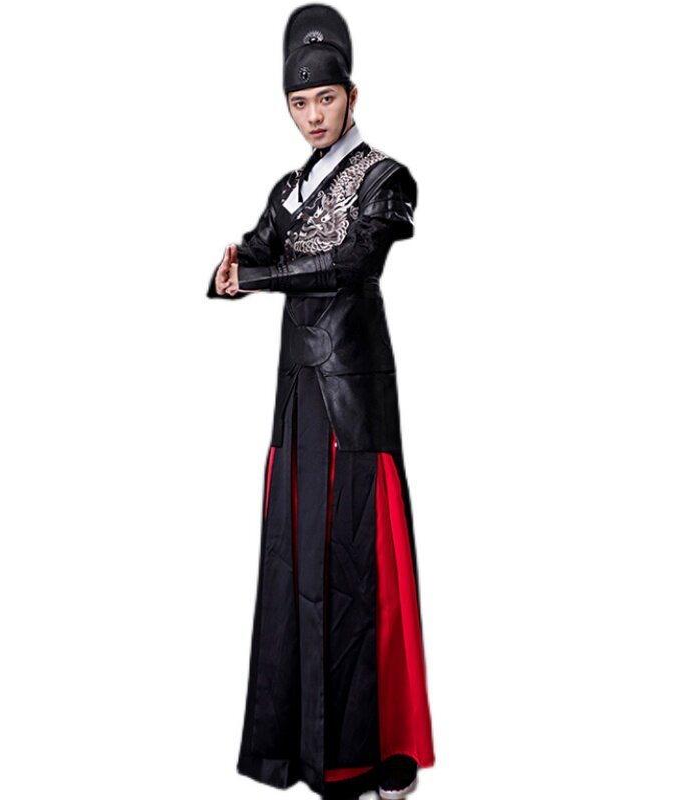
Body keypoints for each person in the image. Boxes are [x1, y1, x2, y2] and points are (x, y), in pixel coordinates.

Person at [207, 5, 435, 799]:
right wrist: (228, 273)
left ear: (352, 95)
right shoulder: (289, 189)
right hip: (297, 395)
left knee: (358, 564)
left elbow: (350, 263)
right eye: (299, 103)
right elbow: (253, 251)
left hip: (353, 397)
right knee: (294, 559)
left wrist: (258, 276)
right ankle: (306, 748)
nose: (313, 116)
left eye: (326, 99)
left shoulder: (386, 178)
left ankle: (377, 751)